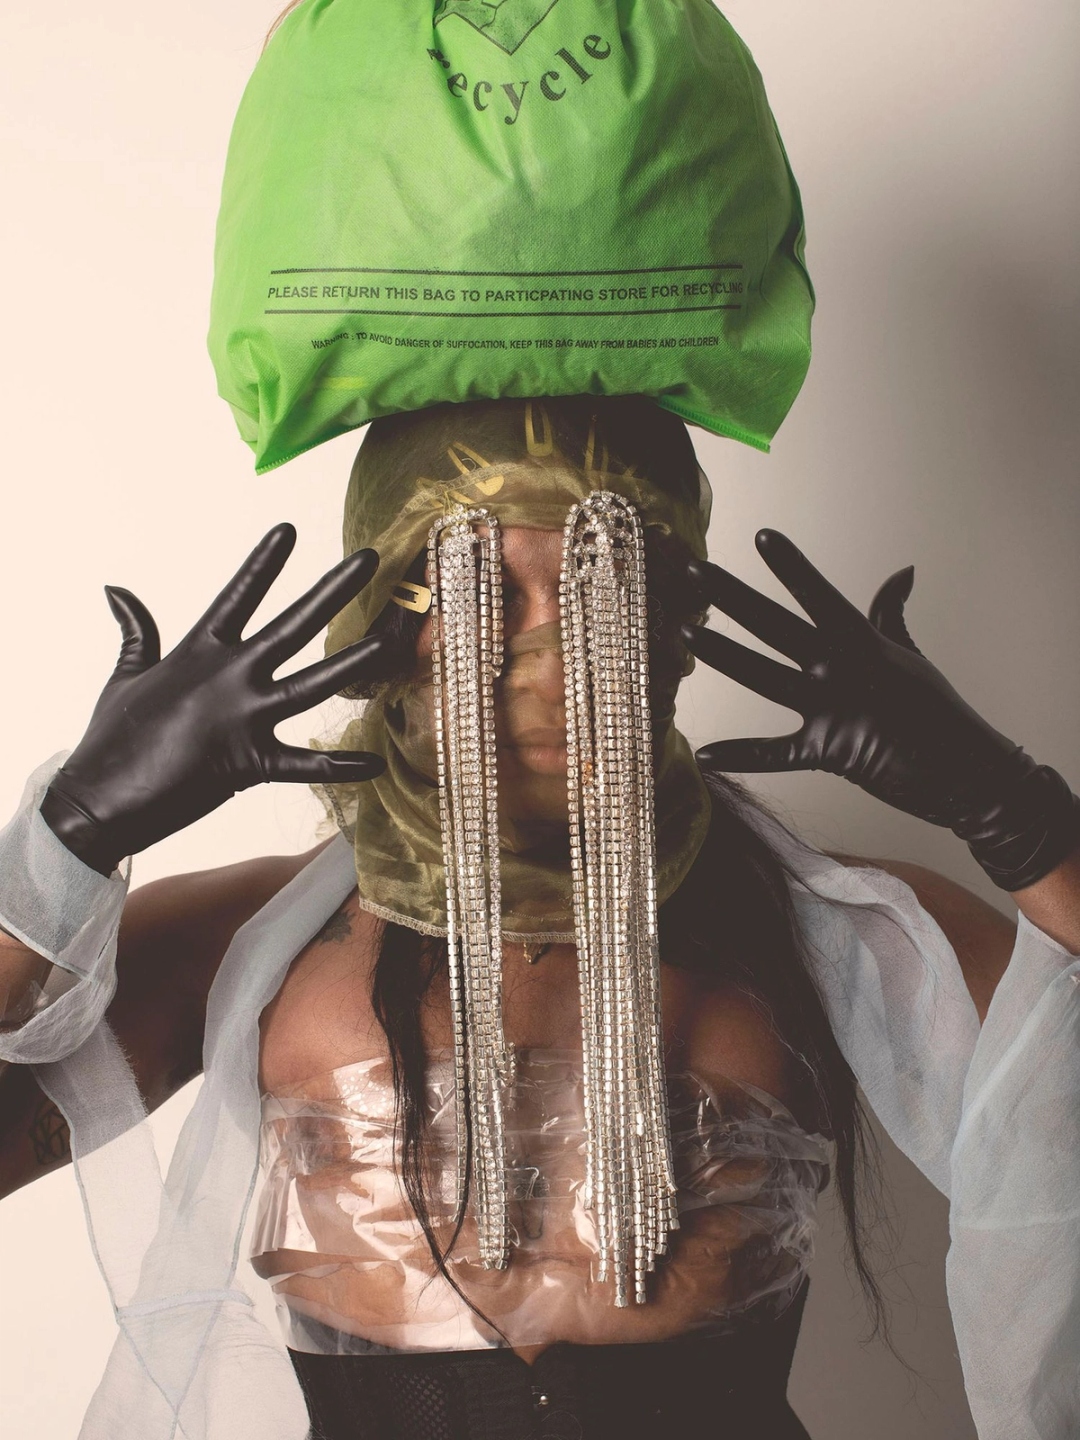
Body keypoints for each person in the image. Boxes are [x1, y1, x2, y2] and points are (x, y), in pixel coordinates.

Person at [1, 395, 1078, 1440]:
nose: (551, 659)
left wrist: (1022, 818)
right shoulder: (253, 941)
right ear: (378, 627)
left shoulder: (838, 926)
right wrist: (72, 834)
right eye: (475, 592)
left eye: (604, 588)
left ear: (678, 623)